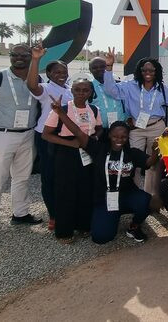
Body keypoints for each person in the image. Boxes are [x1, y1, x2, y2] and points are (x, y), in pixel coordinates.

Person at [53, 110, 160, 244]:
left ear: (128, 137)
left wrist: (155, 149)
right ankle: (112, 216)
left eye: (123, 137)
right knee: (101, 238)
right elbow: (78, 132)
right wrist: (60, 113)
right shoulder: (99, 149)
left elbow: (149, 163)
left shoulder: (132, 153)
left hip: (127, 195)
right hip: (105, 199)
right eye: (115, 136)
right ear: (109, 135)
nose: (119, 140)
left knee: (148, 201)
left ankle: (134, 226)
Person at [0, 44, 43, 243]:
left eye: (24, 54)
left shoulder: (37, 79)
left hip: (27, 134)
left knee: (22, 177)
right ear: (10, 56)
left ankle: (20, 213)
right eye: (15, 54)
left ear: (31, 56)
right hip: (1, 135)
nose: (19, 58)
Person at [102, 48, 168, 206]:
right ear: (139, 71)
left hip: (157, 126)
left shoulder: (162, 88)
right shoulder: (130, 86)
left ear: (156, 72)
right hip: (136, 129)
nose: (148, 73)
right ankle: (135, 196)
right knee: (133, 163)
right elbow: (110, 90)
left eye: (151, 70)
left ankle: (151, 197)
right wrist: (109, 67)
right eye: (144, 70)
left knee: (154, 164)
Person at [42, 84, 103, 243]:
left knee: (85, 189)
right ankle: (64, 231)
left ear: (91, 92)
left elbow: (99, 128)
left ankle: (83, 225)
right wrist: (70, 144)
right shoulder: (61, 109)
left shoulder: (94, 109)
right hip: (66, 151)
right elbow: (46, 135)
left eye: (85, 90)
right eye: (77, 90)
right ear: (72, 91)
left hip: (87, 151)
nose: (81, 93)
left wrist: (94, 138)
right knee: (65, 191)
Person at [27, 43, 73, 230]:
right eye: (57, 72)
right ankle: (53, 214)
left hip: (66, 137)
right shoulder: (45, 88)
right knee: (49, 176)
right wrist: (35, 60)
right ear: (49, 74)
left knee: (65, 176)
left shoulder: (70, 90)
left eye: (64, 72)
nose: (61, 75)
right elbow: (32, 85)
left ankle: (66, 210)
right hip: (47, 137)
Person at [89, 57, 126, 129]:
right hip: (100, 130)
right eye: (95, 67)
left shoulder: (118, 85)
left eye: (102, 66)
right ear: (90, 70)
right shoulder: (88, 87)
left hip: (120, 129)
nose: (99, 69)